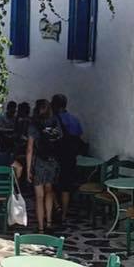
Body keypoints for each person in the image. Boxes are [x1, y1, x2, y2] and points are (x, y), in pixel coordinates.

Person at [26, 99, 62, 232]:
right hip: (52, 161)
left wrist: (28, 169)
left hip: (39, 162)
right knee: (49, 191)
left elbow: (29, 149)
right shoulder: (55, 122)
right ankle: (49, 222)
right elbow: (59, 138)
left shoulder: (33, 125)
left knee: (39, 196)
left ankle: (41, 227)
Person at [51, 94, 85, 223]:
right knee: (66, 187)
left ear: (55, 105)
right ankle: (64, 214)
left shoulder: (53, 120)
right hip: (70, 156)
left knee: (50, 185)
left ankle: (56, 207)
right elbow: (79, 135)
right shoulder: (74, 119)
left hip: (56, 156)